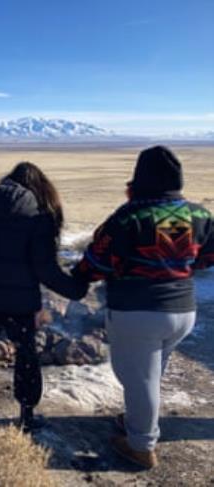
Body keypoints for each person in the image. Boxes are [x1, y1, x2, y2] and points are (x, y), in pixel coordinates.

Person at [72, 146, 214, 469]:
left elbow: (95, 262)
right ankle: (138, 420)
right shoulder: (200, 215)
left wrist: (78, 280)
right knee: (150, 374)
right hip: (183, 312)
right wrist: (180, 265)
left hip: (137, 312)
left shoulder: (129, 217)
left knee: (139, 379)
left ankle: (141, 446)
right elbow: (207, 257)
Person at [0, 162, 88, 431]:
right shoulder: (40, 215)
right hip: (19, 302)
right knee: (26, 353)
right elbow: (45, 268)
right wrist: (76, 288)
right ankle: (26, 415)